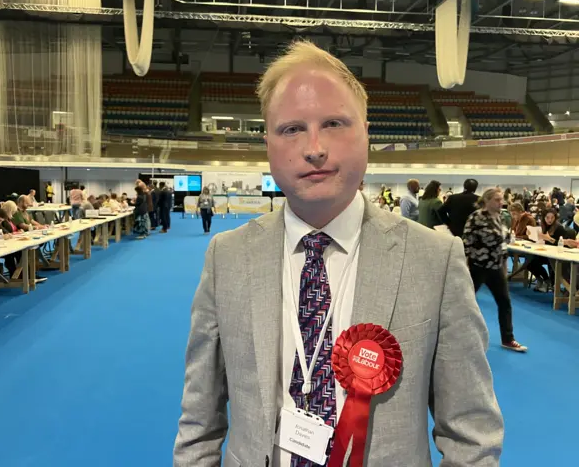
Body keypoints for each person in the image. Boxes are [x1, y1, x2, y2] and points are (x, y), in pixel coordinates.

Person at [174, 40, 502, 467]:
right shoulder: (227, 257)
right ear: (268, 144)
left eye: (333, 123)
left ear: (367, 133)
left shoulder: (435, 260)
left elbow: (471, 434)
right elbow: (199, 421)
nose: (314, 147)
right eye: (291, 129)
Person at [462, 188, 527, 352]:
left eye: (501, 200)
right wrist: (464, 266)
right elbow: (466, 244)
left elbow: (502, 245)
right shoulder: (475, 217)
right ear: (487, 201)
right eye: (497, 200)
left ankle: (508, 338)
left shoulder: (500, 217)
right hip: (477, 267)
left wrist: (504, 267)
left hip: (495, 268)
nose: (501, 203)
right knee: (465, 302)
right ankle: (456, 335)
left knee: (504, 302)